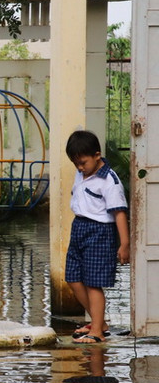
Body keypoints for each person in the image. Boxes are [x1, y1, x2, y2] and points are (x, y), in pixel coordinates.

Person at [65, 129, 130, 344]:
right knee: (73, 278)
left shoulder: (109, 180)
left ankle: (97, 332)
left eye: (83, 163)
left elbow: (119, 213)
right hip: (79, 228)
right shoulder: (81, 173)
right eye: (76, 164)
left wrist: (124, 244)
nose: (80, 168)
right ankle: (98, 322)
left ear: (97, 155)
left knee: (93, 283)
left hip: (100, 232)